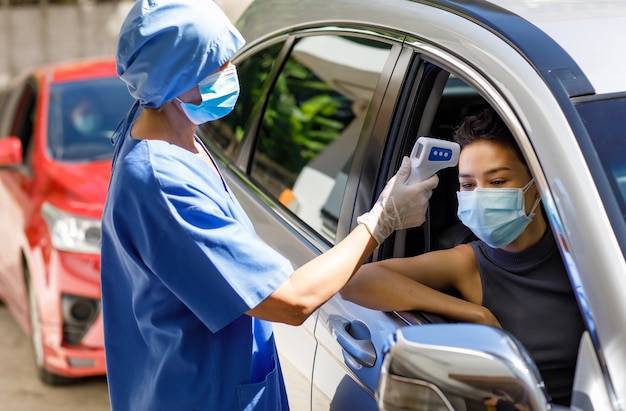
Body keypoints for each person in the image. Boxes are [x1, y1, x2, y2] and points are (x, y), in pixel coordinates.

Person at [99, 1, 439, 410]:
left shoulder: (166, 121)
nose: (230, 72)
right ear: (172, 81)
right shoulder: (160, 181)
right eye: (215, 65)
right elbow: (292, 301)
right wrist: (382, 219)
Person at [340, 107, 586, 407]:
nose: (480, 196)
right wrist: (475, 314)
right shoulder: (468, 263)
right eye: (468, 185)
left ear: (537, 185)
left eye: (497, 182)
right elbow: (353, 280)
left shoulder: (586, 254)